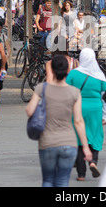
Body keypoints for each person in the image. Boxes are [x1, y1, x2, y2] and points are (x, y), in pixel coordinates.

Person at [26, 54, 92, 187]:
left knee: (48, 180)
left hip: (47, 142)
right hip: (69, 142)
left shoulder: (42, 88)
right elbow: (78, 121)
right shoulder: (74, 92)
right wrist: (85, 147)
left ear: (52, 70)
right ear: (68, 70)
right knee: (62, 181)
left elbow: (29, 111)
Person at [66, 48, 106, 181]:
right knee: (94, 136)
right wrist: (105, 115)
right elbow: (105, 96)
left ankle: (81, 174)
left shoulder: (73, 74)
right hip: (95, 109)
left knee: (79, 138)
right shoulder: (99, 75)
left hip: (77, 108)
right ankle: (93, 162)